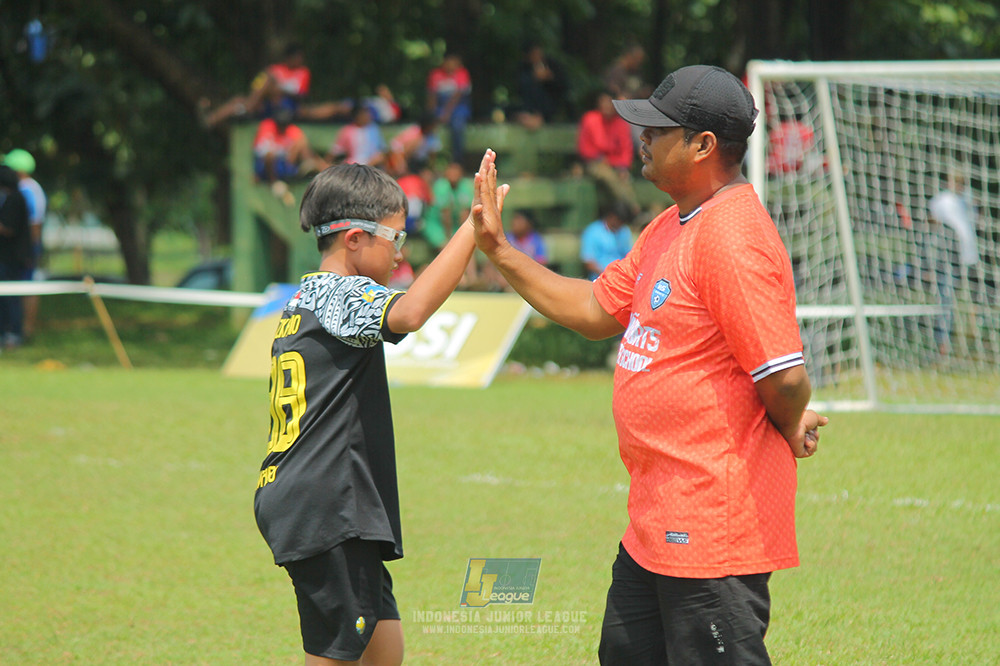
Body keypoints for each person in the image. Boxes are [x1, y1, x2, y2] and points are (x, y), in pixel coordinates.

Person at [470, 64, 828, 665]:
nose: (641, 138)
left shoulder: (733, 237)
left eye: (658, 128)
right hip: (653, 523)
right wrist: (500, 251)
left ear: (703, 145)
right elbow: (590, 308)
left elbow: (784, 375)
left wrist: (789, 422)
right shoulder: (671, 224)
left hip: (711, 527)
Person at [254, 151, 508, 666]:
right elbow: (410, 313)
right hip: (329, 502)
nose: (400, 253)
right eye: (395, 238)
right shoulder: (341, 295)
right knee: (337, 653)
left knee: (382, 647)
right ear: (354, 238)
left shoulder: (307, 296)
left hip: (319, 499)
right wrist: (472, 229)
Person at [928, 172, 982, 355]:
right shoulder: (942, 201)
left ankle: (974, 341)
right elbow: (932, 221)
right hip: (949, 258)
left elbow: (976, 220)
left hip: (970, 258)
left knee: (974, 302)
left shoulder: (968, 201)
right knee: (946, 299)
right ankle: (943, 345)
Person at [4, 149, 46, 341]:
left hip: (26, 250)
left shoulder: (27, 189)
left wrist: (31, 251)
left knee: (25, 289)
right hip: (25, 249)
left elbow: (34, 224)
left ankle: (24, 332)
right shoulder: (27, 188)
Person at [577, 91, 641, 215]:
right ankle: (634, 210)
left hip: (615, 164)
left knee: (624, 178)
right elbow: (584, 148)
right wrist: (601, 159)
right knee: (608, 175)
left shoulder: (621, 123)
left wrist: (623, 167)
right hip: (594, 163)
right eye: (603, 102)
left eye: (609, 102)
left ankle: (627, 214)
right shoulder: (590, 119)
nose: (606, 106)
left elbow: (626, 149)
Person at [252, 109, 327, 203]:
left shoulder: (292, 129)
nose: (282, 127)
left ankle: (306, 167)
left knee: (302, 144)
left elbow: (302, 145)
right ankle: (273, 182)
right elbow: (260, 151)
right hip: (267, 167)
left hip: (286, 163)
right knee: (270, 155)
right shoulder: (267, 126)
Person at [0, 165, 31, 350]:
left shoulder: (15, 199)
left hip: (12, 258)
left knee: (11, 298)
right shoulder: (9, 198)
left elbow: (9, 229)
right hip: (6, 257)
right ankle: (5, 333)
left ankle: (13, 334)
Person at [426, 52, 472, 162]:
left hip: (458, 107)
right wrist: (431, 115)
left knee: (457, 126)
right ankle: (429, 161)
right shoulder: (435, 74)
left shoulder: (462, 74)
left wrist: (446, 114)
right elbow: (432, 97)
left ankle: (457, 161)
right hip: (440, 107)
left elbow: (457, 97)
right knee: (428, 126)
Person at [514, 42, 568, 130]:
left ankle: (539, 116)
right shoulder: (524, 68)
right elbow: (521, 89)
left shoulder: (551, 64)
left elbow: (562, 86)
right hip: (530, 106)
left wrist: (550, 78)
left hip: (549, 105)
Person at [580, 201, 634, 280]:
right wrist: (607, 275)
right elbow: (588, 262)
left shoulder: (624, 231)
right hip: (600, 279)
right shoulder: (592, 231)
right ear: (611, 216)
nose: (620, 225)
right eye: (619, 221)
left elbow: (628, 255)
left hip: (622, 278)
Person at [327, 104, 387, 168]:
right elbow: (336, 150)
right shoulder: (348, 130)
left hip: (371, 163)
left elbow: (382, 149)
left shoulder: (374, 129)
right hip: (353, 163)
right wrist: (327, 162)